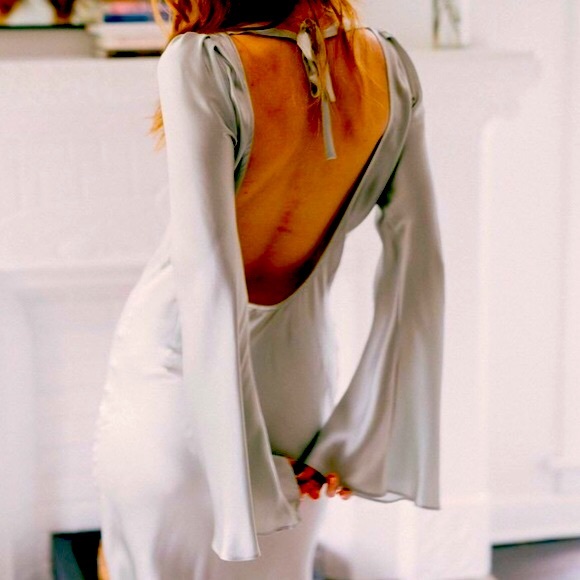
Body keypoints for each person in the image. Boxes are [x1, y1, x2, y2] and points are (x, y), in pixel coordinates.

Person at [91, 0, 445, 578]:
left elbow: (208, 273)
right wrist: (362, 441)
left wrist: (247, 477)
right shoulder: (388, 65)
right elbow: (421, 267)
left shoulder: (201, 62)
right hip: (299, 386)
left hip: (180, 386)